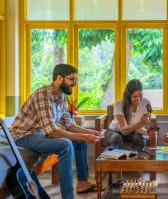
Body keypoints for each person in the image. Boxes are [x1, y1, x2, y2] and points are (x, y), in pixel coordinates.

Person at [10, 64, 100, 199]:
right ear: (59, 78)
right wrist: (84, 135)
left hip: (39, 133)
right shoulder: (43, 95)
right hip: (23, 135)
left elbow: (69, 124)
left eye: (76, 80)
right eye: (72, 80)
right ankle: (67, 196)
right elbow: (52, 132)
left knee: (80, 141)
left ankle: (82, 183)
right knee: (65, 145)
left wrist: (91, 133)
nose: (75, 84)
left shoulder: (61, 96)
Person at [104, 79, 155, 151]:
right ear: (128, 95)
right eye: (135, 96)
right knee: (117, 139)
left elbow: (140, 128)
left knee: (141, 141)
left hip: (132, 132)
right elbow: (124, 130)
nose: (138, 99)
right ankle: (113, 158)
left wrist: (148, 132)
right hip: (115, 131)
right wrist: (140, 123)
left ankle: (134, 159)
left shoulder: (146, 103)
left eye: (140, 95)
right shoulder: (119, 104)